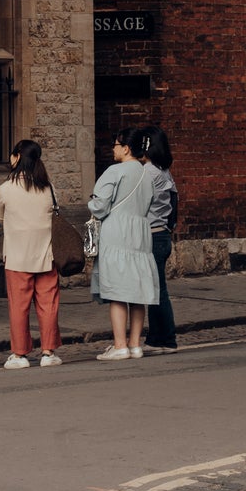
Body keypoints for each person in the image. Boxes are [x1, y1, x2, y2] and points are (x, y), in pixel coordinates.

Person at [86, 125, 161, 361]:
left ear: (126, 148)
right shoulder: (147, 174)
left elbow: (99, 206)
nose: (113, 149)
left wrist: (92, 203)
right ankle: (135, 344)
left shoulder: (114, 172)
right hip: (140, 231)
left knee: (117, 291)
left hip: (117, 231)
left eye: (116, 145)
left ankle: (120, 345)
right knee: (137, 291)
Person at [0, 138, 62, 368]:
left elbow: (0, 217)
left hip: (16, 256)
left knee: (19, 306)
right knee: (48, 304)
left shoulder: (5, 189)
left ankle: (19, 353)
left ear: (16, 157)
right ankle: (48, 351)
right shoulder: (49, 188)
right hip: (46, 254)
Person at [140, 126, 181, 352]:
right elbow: (174, 200)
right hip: (163, 234)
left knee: (156, 291)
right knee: (157, 289)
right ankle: (161, 338)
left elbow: (140, 202)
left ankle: (163, 339)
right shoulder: (164, 171)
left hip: (153, 235)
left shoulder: (148, 172)